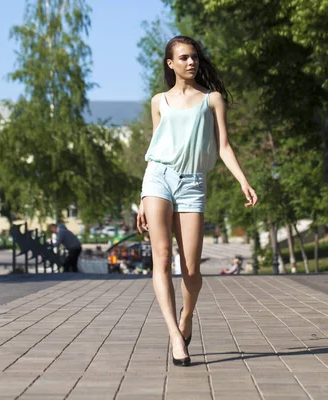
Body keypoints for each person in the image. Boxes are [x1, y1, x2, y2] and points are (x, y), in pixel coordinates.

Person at [136, 36, 258, 367]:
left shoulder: (212, 99)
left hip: (192, 183)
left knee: (190, 268)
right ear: (170, 63)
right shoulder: (158, 101)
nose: (191, 62)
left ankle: (186, 315)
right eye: (184, 58)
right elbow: (156, 147)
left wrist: (243, 180)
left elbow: (223, 147)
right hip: (158, 179)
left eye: (195, 57)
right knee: (161, 259)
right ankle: (176, 336)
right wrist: (142, 199)